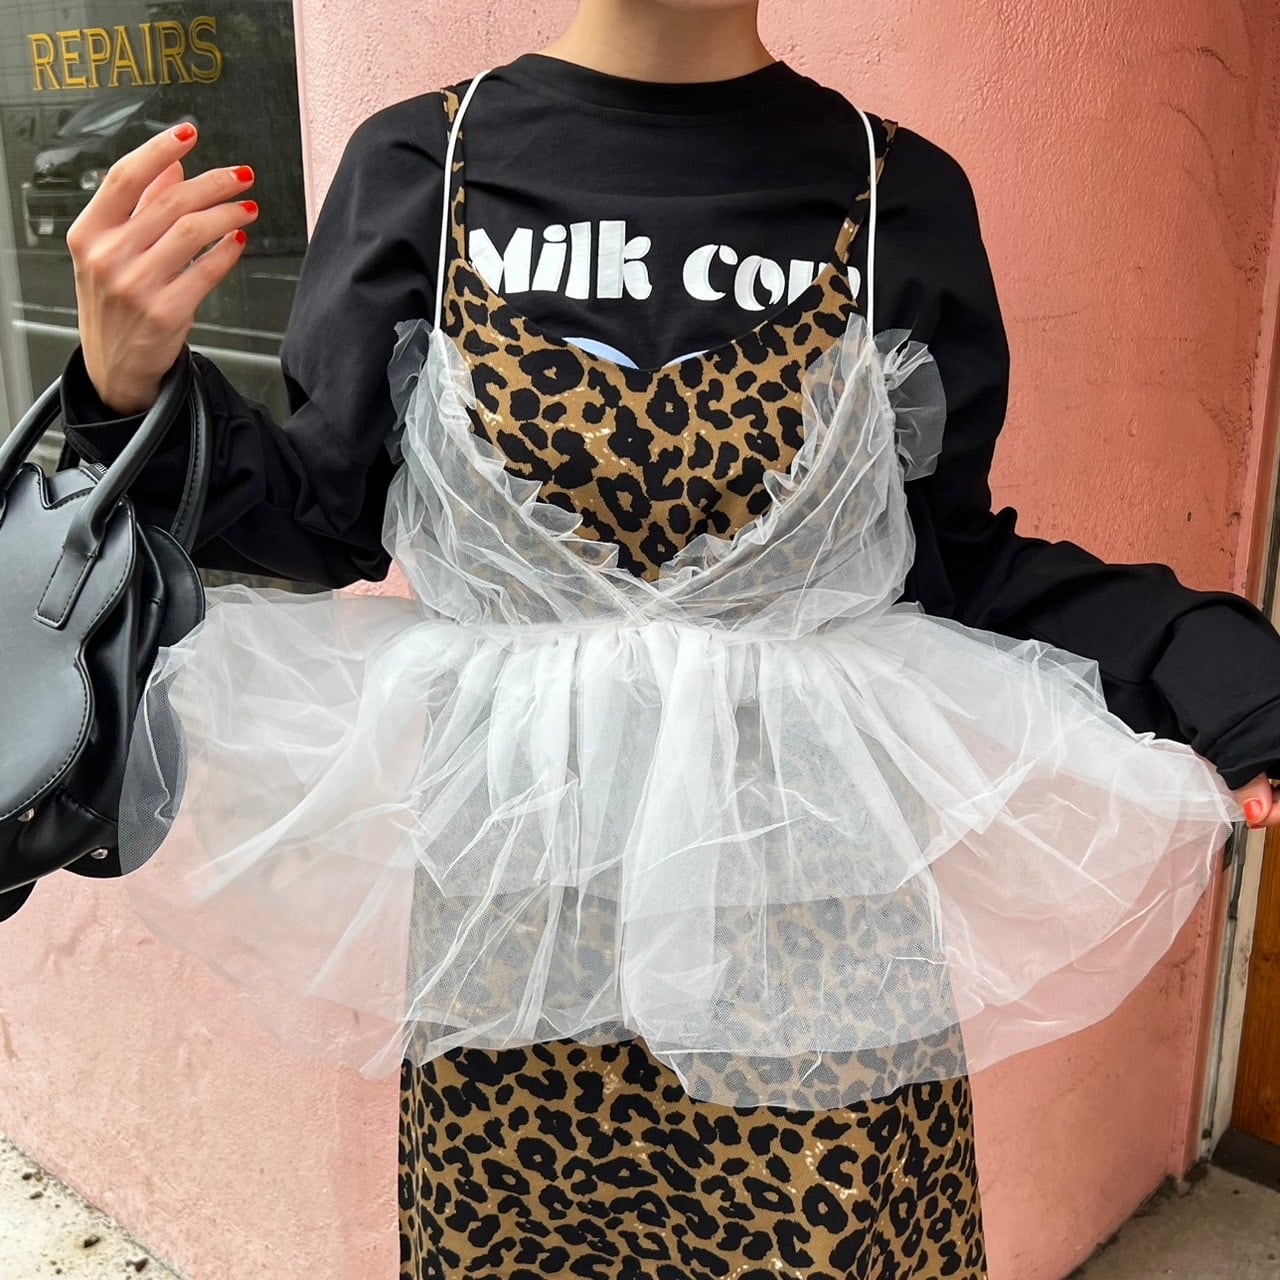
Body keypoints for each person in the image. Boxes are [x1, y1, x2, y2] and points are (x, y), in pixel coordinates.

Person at [61, 2, 1280, 1277]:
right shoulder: (427, 163)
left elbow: (944, 560)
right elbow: (318, 517)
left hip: (812, 938)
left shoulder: (892, 191)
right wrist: (123, 387)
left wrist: (1212, 668)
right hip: (521, 937)